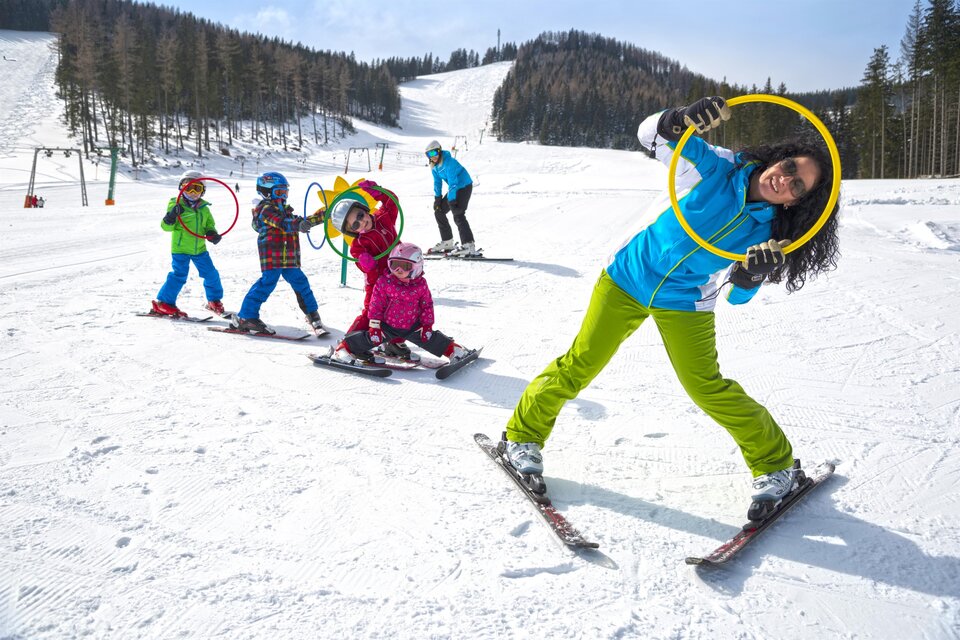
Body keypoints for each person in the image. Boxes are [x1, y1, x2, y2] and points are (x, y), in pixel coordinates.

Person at [503, 96, 841, 520]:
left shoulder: (772, 232)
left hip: (684, 301)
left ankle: (776, 466)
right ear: (780, 158)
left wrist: (752, 276)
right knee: (580, 363)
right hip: (626, 277)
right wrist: (679, 119)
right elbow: (649, 134)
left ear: (797, 202)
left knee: (706, 387)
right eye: (790, 168)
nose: (785, 181)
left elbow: (736, 295)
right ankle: (522, 437)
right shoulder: (720, 166)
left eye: (797, 186)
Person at [333, 242, 472, 365]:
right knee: (369, 338)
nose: (398, 270)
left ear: (416, 266)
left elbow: (427, 306)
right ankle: (342, 349)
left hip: (413, 325)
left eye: (405, 266)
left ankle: (454, 350)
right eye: (394, 265)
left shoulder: (421, 285)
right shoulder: (384, 282)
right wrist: (374, 326)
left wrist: (427, 325)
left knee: (431, 339)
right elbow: (376, 305)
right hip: (387, 325)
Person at [231, 171, 325, 334]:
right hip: (272, 257)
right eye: (279, 192)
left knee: (301, 282)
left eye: (285, 192)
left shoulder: (286, 210)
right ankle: (246, 317)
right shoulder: (265, 209)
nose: (283, 196)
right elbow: (282, 223)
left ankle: (312, 314)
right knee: (267, 282)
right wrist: (297, 225)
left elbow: (299, 221)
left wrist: (322, 215)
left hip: (289, 257)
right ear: (267, 192)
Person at [328, 180, 407, 357]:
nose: (361, 222)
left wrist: (377, 192)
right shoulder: (358, 244)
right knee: (372, 314)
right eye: (355, 225)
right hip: (377, 283)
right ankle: (349, 344)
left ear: (364, 209)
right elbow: (362, 265)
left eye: (360, 215)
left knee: (400, 310)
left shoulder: (383, 218)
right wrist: (365, 262)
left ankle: (394, 343)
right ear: (351, 231)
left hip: (400, 276)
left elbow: (392, 202)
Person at [151, 171, 227, 317]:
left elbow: (209, 225)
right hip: (180, 249)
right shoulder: (176, 205)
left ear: (202, 191)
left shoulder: (204, 209)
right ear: (181, 188)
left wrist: (211, 233)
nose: (192, 193)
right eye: (188, 188)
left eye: (197, 189)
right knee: (179, 275)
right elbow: (166, 227)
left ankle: (214, 300)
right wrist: (171, 216)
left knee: (211, 274)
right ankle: (164, 303)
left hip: (199, 249)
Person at [425, 140, 478, 257]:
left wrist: (452, 200)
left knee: (458, 213)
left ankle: (468, 245)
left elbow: (453, 183)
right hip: (454, 189)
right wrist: (437, 199)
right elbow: (437, 183)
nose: (432, 157)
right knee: (439, 211)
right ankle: (447, 242)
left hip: (464, 186)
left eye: (434, 153)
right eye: (429, 154)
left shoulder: (449, 162)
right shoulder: (434, 167)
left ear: (439, 151)